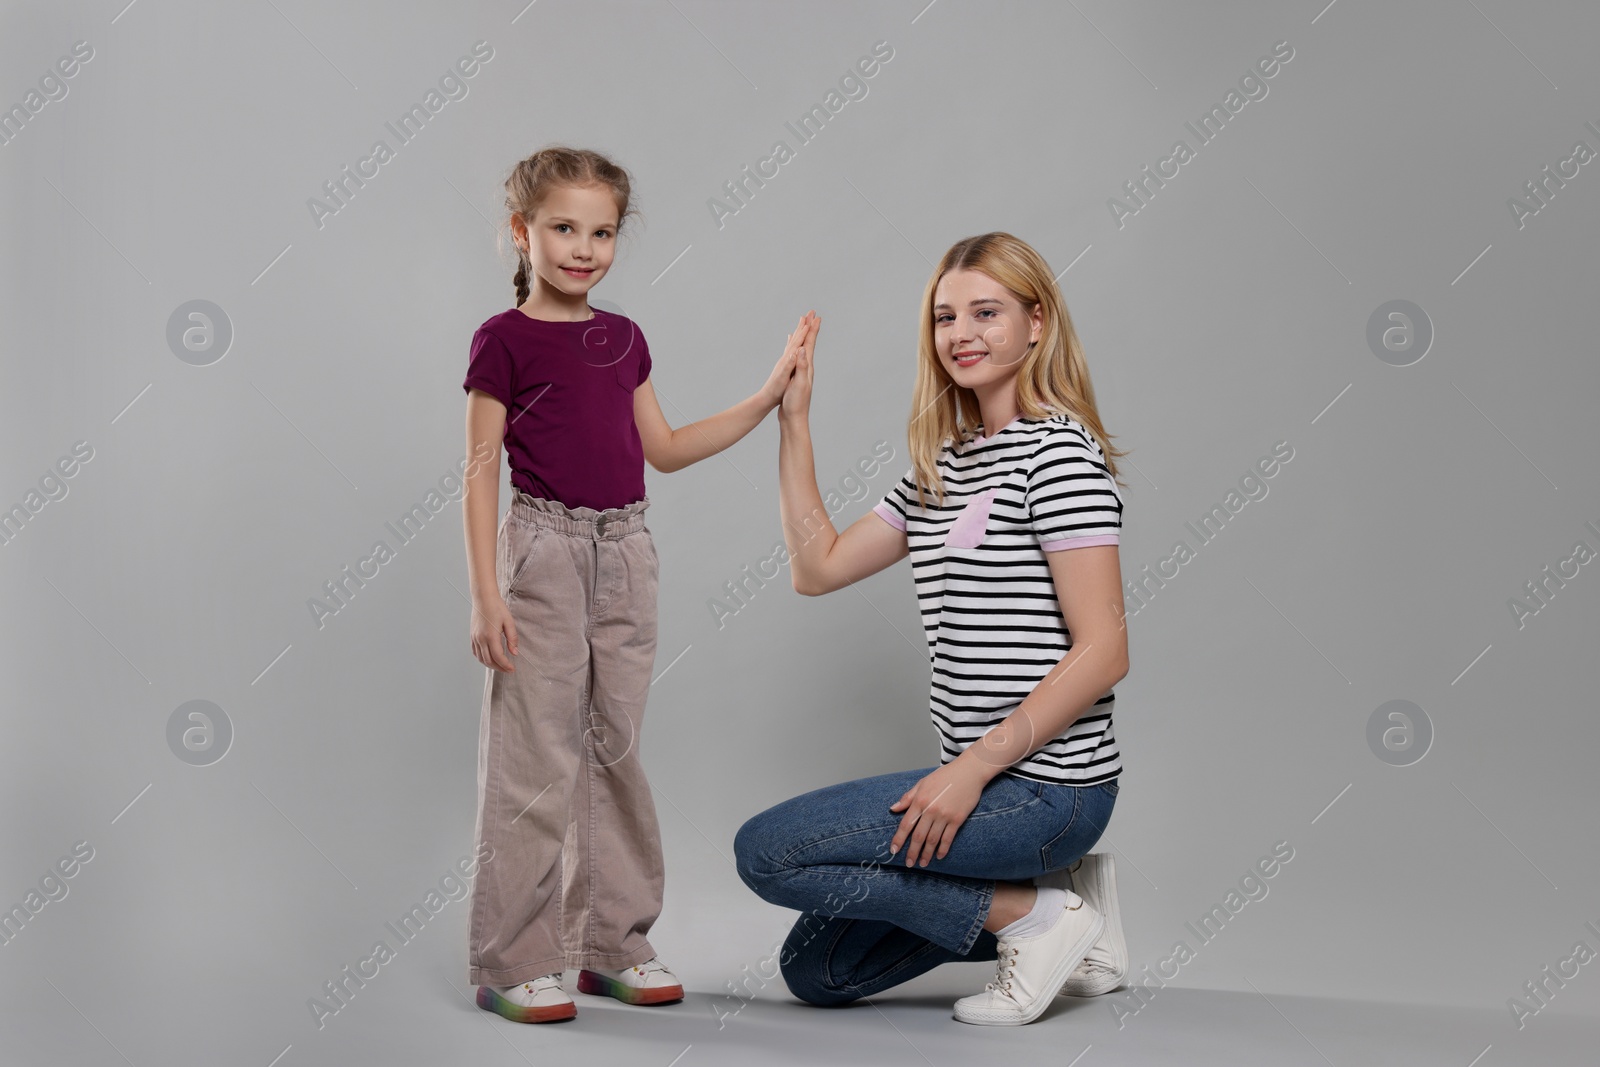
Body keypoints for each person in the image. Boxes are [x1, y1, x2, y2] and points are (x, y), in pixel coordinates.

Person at [734, 232, 1133, 1025]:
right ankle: (1066, 912)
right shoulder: (943, 465)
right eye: (946, 317)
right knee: (818, 970)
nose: (962, 334)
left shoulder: (1059, 456)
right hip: (987, 784)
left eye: (986, 312)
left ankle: (1043, 918)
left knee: (767, 851)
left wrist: (972, 769)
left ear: (1037, 323)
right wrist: (795, 419)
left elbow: (1105, 650)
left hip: (1048, 792)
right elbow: (819, 566)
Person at [460, 145, 810, 1023]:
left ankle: (610, 943)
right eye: (563, 228)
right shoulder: (502, 340)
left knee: (614, 747)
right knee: (535, 756)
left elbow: (667, 448)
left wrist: (769, 396)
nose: (584, 247)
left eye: (602, 231)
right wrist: (484, 592)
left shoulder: (623, 338)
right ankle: (513, 959)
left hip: (626, 551)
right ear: (522, 232)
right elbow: (476, 469)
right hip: (542, 550)